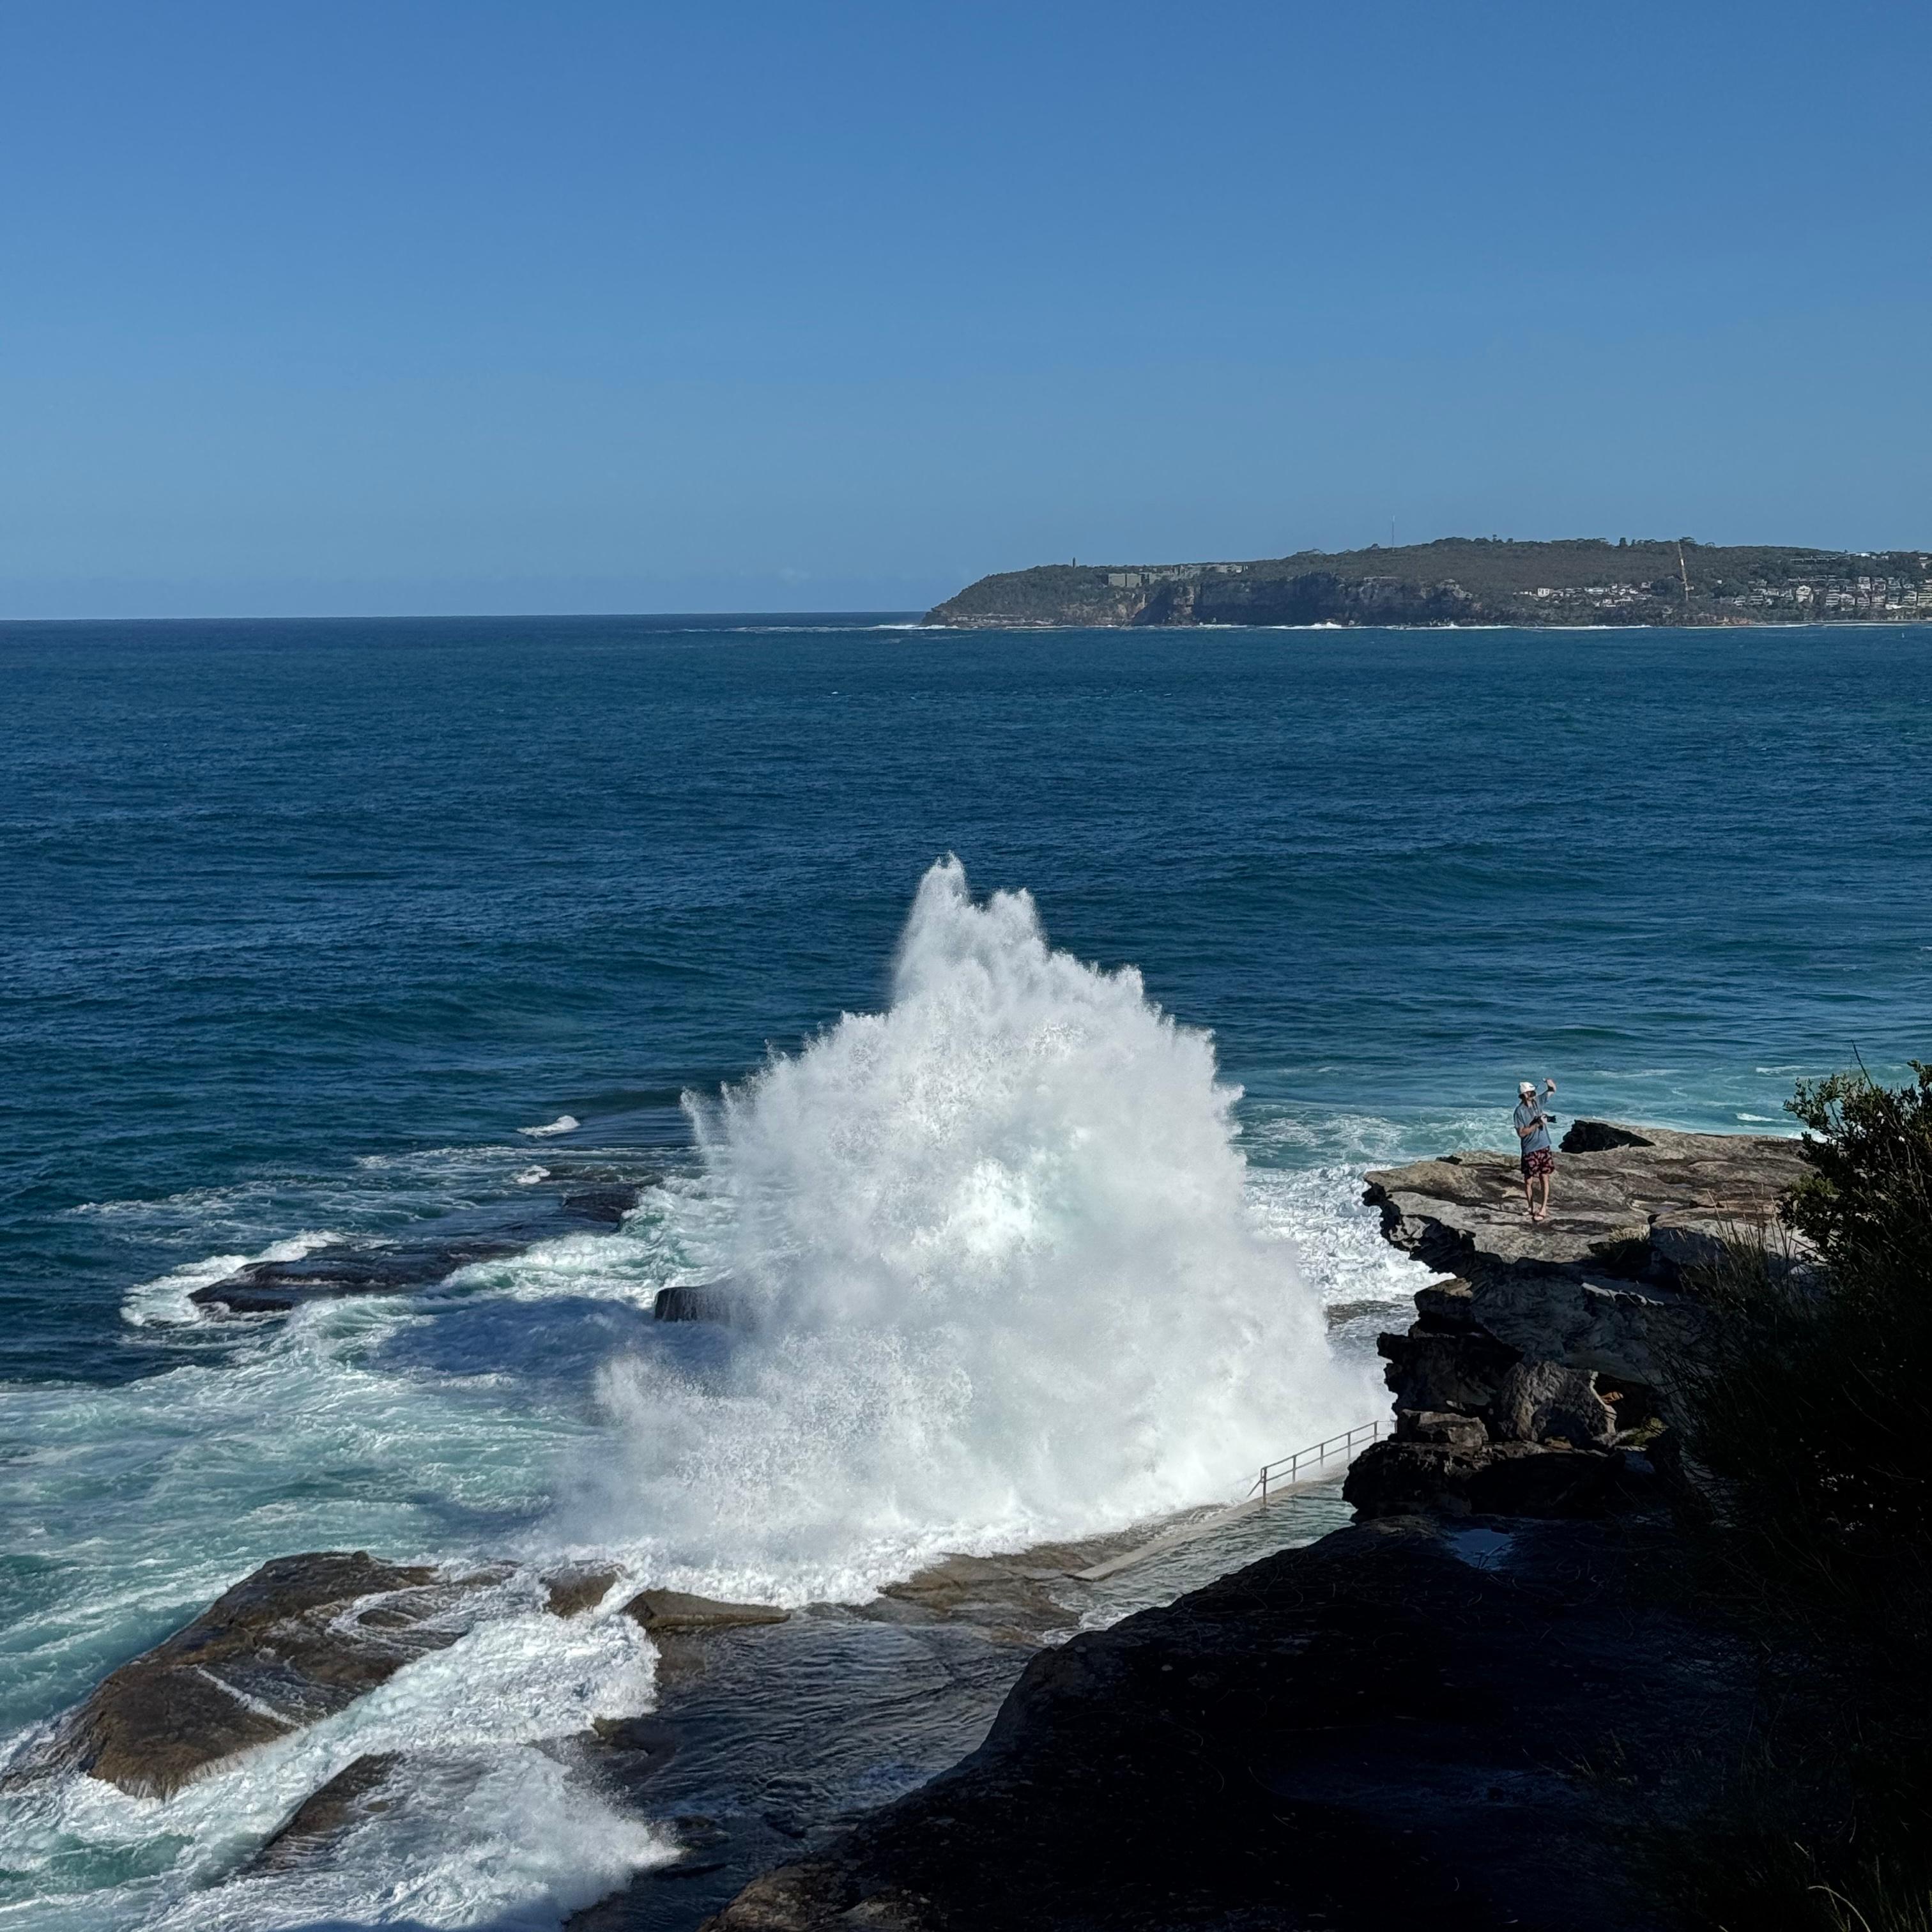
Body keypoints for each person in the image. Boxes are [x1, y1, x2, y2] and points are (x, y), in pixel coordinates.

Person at [1514, 1078, 1559, 1222]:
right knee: (1528, 1181)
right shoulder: (1519, 1112)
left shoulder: (1538, 1101)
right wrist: (1537, 1124)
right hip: (1530, 1149)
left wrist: (1550, 1084)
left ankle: (1543, 1208)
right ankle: (1530, 1207)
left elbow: (1552, 1091)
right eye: (1531, 1092)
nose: (1534, 1094)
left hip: (1544, 1145)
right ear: (1525, 1094)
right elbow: (1521, 1133)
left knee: (1544, 1178)